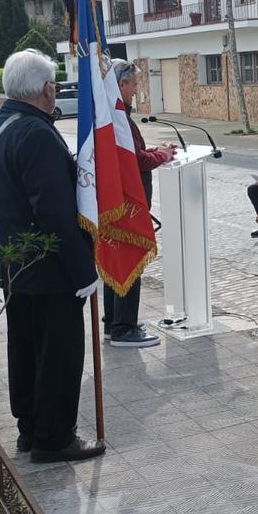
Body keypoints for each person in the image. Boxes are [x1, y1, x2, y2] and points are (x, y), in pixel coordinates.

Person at [0, 50, 104, 463]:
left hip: (17, 264)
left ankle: (31, 429)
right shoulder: (36, 133)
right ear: (46, 89)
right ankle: (53, 439)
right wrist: (83, 271)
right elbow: (53, 212)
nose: (56, 90)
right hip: (50, 269)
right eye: (55, 84)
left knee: (26, 349)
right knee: (58, 354)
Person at [102, 61, 176, 348]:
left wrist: (156, 151)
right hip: (126, 207)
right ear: (120, 84)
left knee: (116, 263)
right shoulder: (117, 117)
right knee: (127, 262)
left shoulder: (113, 114)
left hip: (118, 204)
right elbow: (135, 161)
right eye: (133, 84)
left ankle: (113, 322)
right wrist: (162, 156)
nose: (136, 89)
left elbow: (133, 153)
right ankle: (124, 328)